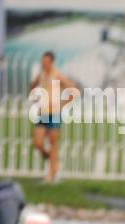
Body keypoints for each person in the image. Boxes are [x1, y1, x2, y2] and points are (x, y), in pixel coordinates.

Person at [28, 51, 79, 183]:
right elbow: (32, 87)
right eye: (42, 62)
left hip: (54, 113)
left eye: (46, 62)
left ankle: (51, 175)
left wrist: (63, 104)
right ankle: (50, 158)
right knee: (38, 142)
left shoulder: (58, 75)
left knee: (53, 143)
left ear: (51, 62)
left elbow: (73, 90)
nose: (43, 64)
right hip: (42, 112)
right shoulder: (41, 75)